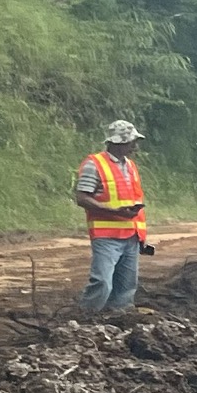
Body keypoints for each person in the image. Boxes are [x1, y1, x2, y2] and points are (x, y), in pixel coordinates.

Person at [73, 119, 155, 314]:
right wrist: (114, 212)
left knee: (126, 289)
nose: (135, 146)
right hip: (107, 236)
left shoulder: (131, 166)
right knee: (102, 283)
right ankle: (84, 319)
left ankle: (117, 322)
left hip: (132, 236)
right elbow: (81, 197)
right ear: (118, 142)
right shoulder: (94, 164)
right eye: (131, 141)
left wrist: (141, 236)